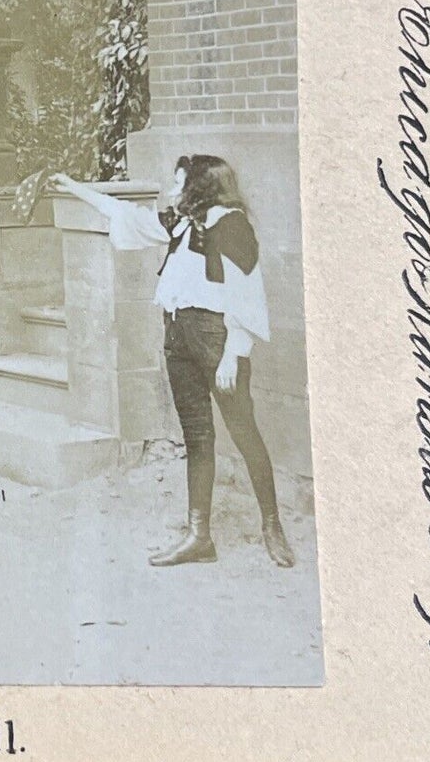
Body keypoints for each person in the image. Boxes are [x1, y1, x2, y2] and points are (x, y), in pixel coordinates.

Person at [52, 156, 295, 569]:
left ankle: (273, 527)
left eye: (178, 182)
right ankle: (199, 536)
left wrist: (233, 354)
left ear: (200, 186)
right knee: (197, 439)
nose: (171, 188)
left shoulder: (230, 223)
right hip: (178, 335)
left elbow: (247, 292)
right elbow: (123, 213)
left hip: (216, 340)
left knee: (244, 432)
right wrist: (74, 186)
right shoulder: (182, 224)